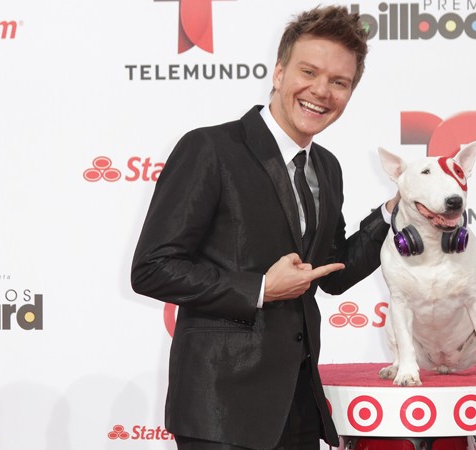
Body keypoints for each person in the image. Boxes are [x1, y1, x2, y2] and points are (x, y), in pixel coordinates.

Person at [131, 5, 398, 450]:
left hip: (296, 406)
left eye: (339, 82)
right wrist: (260, 288)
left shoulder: (327, 168)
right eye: (309, 71)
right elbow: (153, 268)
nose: (321, 91)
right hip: (220, 409)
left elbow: (331, 273)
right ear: (278, 72)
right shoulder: (210, 148)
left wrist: (394, 212)